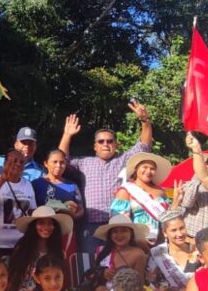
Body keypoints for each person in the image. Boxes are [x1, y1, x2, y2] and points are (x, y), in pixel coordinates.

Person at [58, 101, 154, 269]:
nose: (105, 144)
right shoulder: (84, 162)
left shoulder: (123, 160)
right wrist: (67, 135)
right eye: (101, 142)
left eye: (109, 141)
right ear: (95, 147)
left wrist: (145, 121)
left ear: (116, 145)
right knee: (90, 267)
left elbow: (144, 146)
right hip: (91, 227)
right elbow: (61, 160)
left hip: (119, 225)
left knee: (121, 267)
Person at [7, 206, 73, 291]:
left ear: (55, 226)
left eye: (50, 223)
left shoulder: (59, 252)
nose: (46, 227)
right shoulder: (22, 248)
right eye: (41, 223)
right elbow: (13, 277)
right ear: (34, 226)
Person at [0, 150, 37, 256]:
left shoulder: (28, 184)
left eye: (21, 162)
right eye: (14, 161)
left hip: (20, 244)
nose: (17, 164)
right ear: (4, 163)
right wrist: (2, 180)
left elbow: (32, 211)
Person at [146, 210, 198, 291]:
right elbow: (151, 284)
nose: (179, 234)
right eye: (174, 230)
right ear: (165, 233)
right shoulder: (158, 254)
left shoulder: (197, 251)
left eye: (182, 228)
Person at [109, 152, 172, 241]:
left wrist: (177, 200)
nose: (148, 171)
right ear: (136, 169)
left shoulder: (161, 191)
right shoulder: (126, 190)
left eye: (152, 168)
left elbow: (170, 216)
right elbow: (117, 222)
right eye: (145, 167)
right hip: (137, 241)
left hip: (161, 240)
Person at [171, 155, 208, 239]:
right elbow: (187, 203)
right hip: (192, 237)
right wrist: (199, 176)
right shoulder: (189, 185)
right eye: (207, 164)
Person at [32, 149, 85, 221]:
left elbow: (80, 208)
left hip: (66, 227)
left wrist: (75, 215)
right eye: (55, 162)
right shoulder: (36, 184)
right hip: (43, 228)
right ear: (46, 163)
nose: (59, 165)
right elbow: (31, 208)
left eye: (62, 162)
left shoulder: (72, 185)